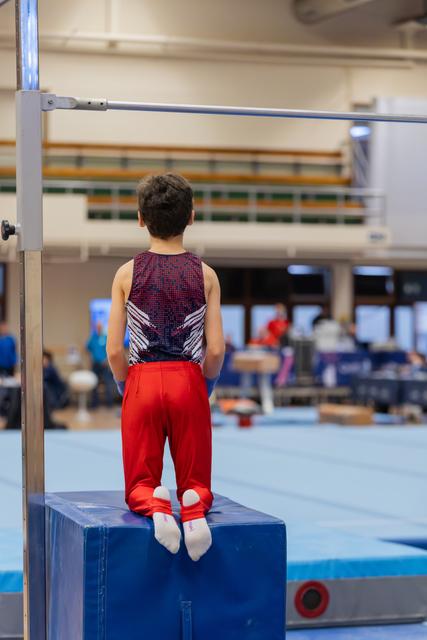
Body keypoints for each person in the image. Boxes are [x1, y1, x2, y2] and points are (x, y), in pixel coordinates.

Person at [107, 173, 225, 562]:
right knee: (197, 481)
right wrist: (204, 383)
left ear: (140, 218)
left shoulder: (126, 273)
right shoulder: (206, 275)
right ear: (191, 216)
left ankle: (155, 504)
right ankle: (192, 508)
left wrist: (127, 385)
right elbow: (216, 349)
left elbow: (113, 350)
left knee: (139, 481)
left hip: (141, 379)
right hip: (188, 380)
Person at [86, 321, 115, 407]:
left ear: (102, 328)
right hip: (95, 364)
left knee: (107, 383)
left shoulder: (106, 337)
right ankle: (94, 404)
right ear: (96, 328)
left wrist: (106, 360)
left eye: (100, 327)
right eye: (97, 327)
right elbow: (88, 348)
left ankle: (109, 404)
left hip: (104, 365)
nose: (99, 328)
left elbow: (110, 350)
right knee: (94, 384)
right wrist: (90, 359)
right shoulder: (93, 338)